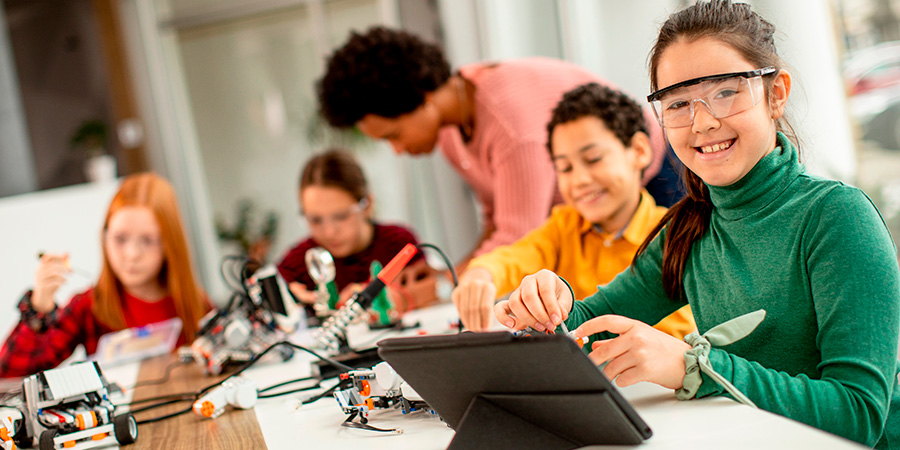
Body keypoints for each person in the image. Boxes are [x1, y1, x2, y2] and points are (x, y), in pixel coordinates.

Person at [493, 1, 900, 447]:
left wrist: (696, 365)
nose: (702, 122)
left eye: (726, 92)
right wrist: (550, 303)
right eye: (679, 103)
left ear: (776, 94)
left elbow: (859, 414)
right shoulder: (688, 229)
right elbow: (586, 328)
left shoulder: (837, 217)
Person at [317, 27, 677, 264]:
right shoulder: (450, 125)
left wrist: (456, 282)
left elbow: (519, 234)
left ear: (421, 98)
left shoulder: (509, 124)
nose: (397, 149)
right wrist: (451, 277)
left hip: (653, 177)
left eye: (393, 135)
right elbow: (498, 221)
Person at [451, 83, 694, 338]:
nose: (579, 180)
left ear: (639, 151)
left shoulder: (672, 236)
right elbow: (515, 256)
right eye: (565, 168)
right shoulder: (564, 225)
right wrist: (481, 274)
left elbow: (670, 336)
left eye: (593, 159)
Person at [0, 173, 209, 378]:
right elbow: (9, 375)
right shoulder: (88, 307)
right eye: (120, 238)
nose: (132, 254)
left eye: (147, 240)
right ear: (105, 237)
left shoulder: (198, 305)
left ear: (170, 243)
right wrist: (39, 306)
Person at [277, 149, 433, 311]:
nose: (329, 232)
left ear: (367, 205)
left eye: (341, 216)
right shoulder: (296, 264)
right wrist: (286, 299)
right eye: (315, 220)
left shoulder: (398, 245)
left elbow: (433, 289)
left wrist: (395, 298)